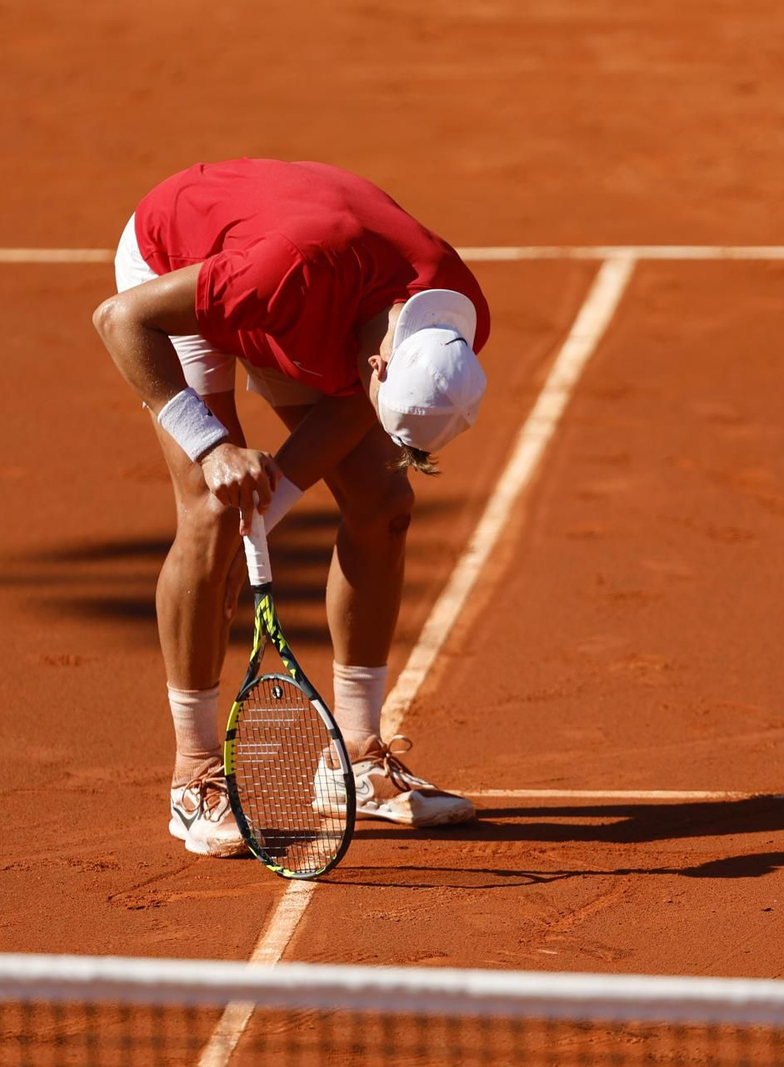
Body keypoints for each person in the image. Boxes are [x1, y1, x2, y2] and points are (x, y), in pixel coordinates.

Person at [92, 159, 488, 857]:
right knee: (212, 513)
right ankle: (194, 777)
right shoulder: (284, 275)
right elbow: (120, 320)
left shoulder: (453, 314)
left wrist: (268, 509)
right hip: (177, 266)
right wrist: (212, 449)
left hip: (306, 302)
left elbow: (349, 406)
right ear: (381, 366)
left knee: (383, 499)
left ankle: (355, 760)